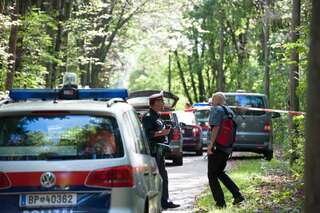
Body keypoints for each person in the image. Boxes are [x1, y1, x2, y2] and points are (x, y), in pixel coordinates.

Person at [142, 92, 180, 209]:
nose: (163, 103)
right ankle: (158, 202)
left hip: (160, 151)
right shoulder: (148, 116)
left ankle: (165, 201)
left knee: (163, 176)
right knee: (157, 178)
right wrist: (162, 132)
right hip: (153, 152)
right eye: (161, 101)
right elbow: (147, 134)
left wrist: (167, 131)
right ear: (155, 103)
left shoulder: (157, 116)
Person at [207, 92, 244, 208]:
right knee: (219, 172)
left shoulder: (216, 110)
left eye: (212, 101)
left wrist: (210, 145)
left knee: (212, 174)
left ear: (215, 100)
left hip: (217, 147)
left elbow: (216, 128)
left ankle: (220, 203)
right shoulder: (229, 111)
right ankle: (237, 195)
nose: (211, 103)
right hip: (227, 147)